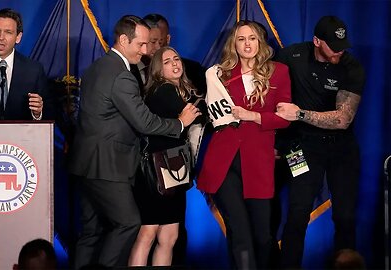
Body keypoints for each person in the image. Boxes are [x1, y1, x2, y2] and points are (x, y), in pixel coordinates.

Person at [68, 15, 200, 269]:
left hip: (84, 163)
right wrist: (180, 123)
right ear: (123, 40)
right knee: (128, 224)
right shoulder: (123, 76)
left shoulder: (97, 66)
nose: (144, 50)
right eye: (140, 44)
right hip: (108, 165)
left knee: (91, 232)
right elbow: (145, 123)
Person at [197, 20, 291, 269]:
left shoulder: (278, 71)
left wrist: (256, 116)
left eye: (252, 38)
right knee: (239, 233)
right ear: (234, 44)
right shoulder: (218, 74)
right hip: (225, 161)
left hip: (258, 161)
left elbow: (285, 118)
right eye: (241, 39)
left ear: (260, 41)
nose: (247, 44)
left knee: (262, 236)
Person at [274, 15, 365, 268]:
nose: (339, 52)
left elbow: (343, 119)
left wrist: (300, 114)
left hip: (342, 147)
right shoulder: (290, 57)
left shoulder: (352, 67)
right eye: (334, 47)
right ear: (316, 41)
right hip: (300, 147)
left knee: (345, 216)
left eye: (343, 46)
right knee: (297, 212)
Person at [128, 46, 204, 267]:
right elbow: (197, 116)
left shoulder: (181, 91)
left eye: (176, 59)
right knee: (148, 233)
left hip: (174, 171)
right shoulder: (162, 90)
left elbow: (195, 114)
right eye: (167, 61)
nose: (175, 64)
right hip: (155, 172)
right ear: (158, 70)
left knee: (169, 236)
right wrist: (192, 113)